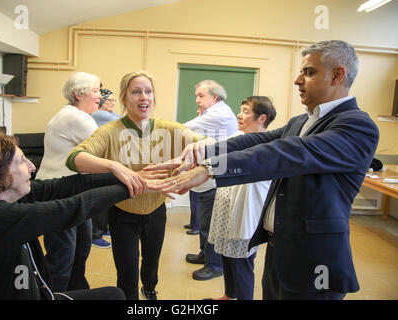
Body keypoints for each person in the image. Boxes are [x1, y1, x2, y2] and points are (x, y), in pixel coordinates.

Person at [149, 40, 379, 300]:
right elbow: (257, 140)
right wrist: (201, 153)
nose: (297, 80)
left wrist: (210, 170)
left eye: (309, 72)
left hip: (315, 263)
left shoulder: (356, 125)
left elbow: (289, 153)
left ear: (338, 75)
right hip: (280, 251)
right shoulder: (302, 120)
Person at [65, 71, 205, 300]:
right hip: (122, 213)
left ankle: (149, 290)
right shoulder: (110, 131)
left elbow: (206, 144)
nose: (144, 97)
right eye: (136, 92)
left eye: (148, 92)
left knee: (151, 263)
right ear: (124, 98)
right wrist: (114, 166)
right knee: (127, 271)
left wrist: (193, 156)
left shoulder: (168, 128)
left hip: (155, 211)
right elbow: (74, 158)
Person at [0, 131, 136, 300]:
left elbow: (66, 186)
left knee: (114, 295)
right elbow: (72, 208)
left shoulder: (1, 196)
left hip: (39, 293)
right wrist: (137, 188)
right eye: (21, 161)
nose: (31, 166)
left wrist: (132, 176)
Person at [35, 72, 102, 292]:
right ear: (78, 94)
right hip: (59, 193)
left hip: (71, 192)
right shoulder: (76, 117)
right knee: (63, 253)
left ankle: (75, 290)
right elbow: (107, 147)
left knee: (80, 247)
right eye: (95, 91)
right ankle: (55, 294)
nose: (99, 96)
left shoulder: (71, 114)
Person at [207, 96, 276, 300]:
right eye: (241, 109)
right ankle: (229, 295)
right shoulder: (238, 136)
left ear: (261, 118)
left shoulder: (268, 146)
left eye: (246, 111)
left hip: (245, 212)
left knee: (242, 262)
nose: (240, 114)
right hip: (228, 206)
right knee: (227, 256)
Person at [183, 80, 238, 281]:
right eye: (196, 95)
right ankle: (205, 255)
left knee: (210, 225)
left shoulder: (218, 114)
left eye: (201, 96)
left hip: (215, 178)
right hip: (208, 175)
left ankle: (214, 265)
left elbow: (183, 129)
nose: (197, 100)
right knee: (205, 221)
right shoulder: (211, 113)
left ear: (214, 97)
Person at [90, 88, 122, 249]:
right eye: (110, 101)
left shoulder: (105, 115)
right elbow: (123, 121)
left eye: (114, 101)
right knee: (100, 199)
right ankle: (95, 234)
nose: (113, 104)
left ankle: (103, 229)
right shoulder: (98, 114)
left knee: (107, 199)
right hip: (100, 161)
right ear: (102, 102)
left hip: (107, 160)